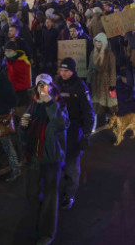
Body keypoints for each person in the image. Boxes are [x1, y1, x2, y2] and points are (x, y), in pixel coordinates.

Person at [20, 74, 68, 245]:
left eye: (45, 86)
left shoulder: (57, 104)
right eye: (39, 86)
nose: (42, 89)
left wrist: (49, 103)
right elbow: (24, 135)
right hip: (33, 156)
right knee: (31, 193)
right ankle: (32, 226)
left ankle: (47, 232)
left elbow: (61, 124)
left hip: (51, 157)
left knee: (49, 196)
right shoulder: (32, 106)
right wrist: (23, 127)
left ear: (51, 87)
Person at [56, 57, 93, 211]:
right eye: (61, 70)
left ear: (73, 71)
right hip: (58, 131)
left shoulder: (80, 86)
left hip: (73, 130)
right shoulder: (56, 84)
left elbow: (88, 112)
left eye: (67, 71)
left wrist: (86, 134)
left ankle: (69, 194)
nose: (63, 74)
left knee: (72, 165)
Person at [88, 32, 117, 126]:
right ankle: (94, 122)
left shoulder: (109, 54)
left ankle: (110, 118)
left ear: (104, 42)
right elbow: (90, 68)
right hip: (96, 81)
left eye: (99, 41)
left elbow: (112, 70)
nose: (97, 43)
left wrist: (112, 84)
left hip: (106, 82)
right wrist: (88, 81)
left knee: (108, 102)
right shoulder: (93, 53)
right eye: (96, 41)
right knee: (95, 102)